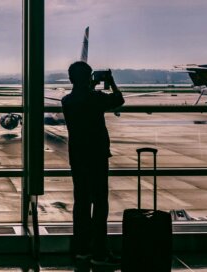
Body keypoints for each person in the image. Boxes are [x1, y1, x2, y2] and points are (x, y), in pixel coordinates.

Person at [61, 61, 124, 266]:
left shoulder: (67, 101)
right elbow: (119, 100)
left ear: (71, 79)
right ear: (89, 78)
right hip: (97, 156)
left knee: (81, 203)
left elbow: (82, 97)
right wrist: (110, 82)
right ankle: (99, 252)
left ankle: (81, 250)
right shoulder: (96, 98)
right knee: (99, 204)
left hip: (77, 157)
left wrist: (89, 85)